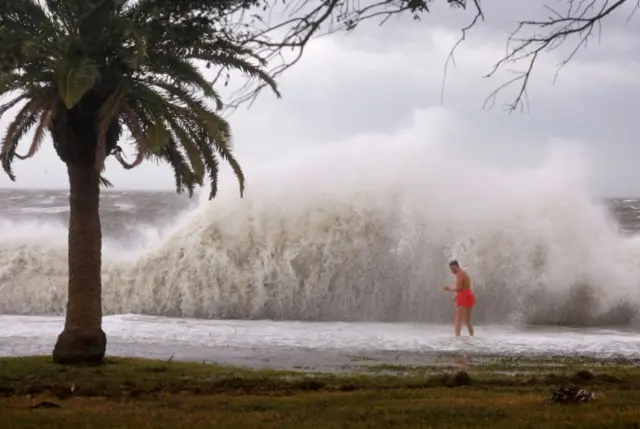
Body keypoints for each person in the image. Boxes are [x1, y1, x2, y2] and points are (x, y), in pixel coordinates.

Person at [442, 260, 475, 337]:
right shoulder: (463, 273)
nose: (453, 271)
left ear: (458, 267)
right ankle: (472, 337)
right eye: (451, 269)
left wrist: (449, 289)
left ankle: (457, 338)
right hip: (469, 296)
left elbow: (458, 288)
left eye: (454, 269)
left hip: (464, 297)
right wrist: (457, 296)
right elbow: (464, 288)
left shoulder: (459, 274)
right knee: (467, 321)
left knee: (457, 319)